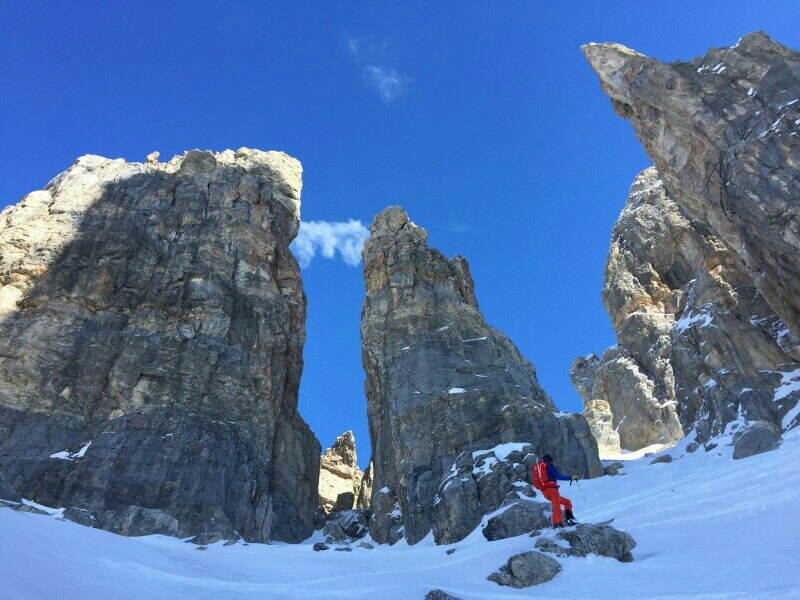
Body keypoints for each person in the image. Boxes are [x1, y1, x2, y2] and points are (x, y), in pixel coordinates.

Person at [532, 454, 579, 528]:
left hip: (545, 492)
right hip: (552, 490)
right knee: (557, 507)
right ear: (551, 460)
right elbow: (558, 476)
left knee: (567, 502)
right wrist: (571, 478)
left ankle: (570, 519)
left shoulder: (539, 469)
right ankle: (557, 524)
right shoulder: (549, 466)